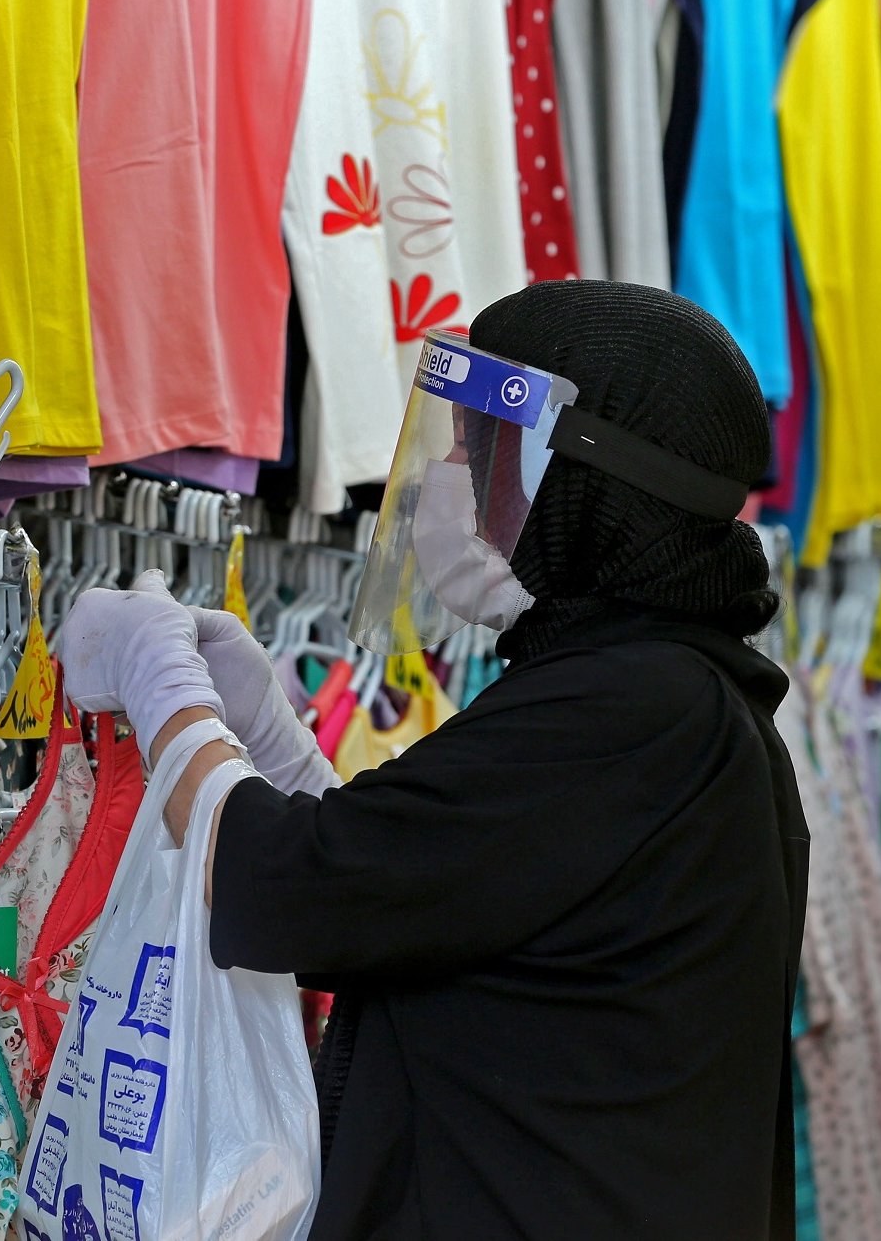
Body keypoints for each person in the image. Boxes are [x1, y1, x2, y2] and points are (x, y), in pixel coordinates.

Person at [60, 279, 810, 1240]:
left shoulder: (630, 711)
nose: (449, 474)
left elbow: (297, 887)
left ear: (580, 479)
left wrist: (163, 688)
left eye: (476, 448)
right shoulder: (675, 697)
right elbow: (417, 882)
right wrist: (270, 737)